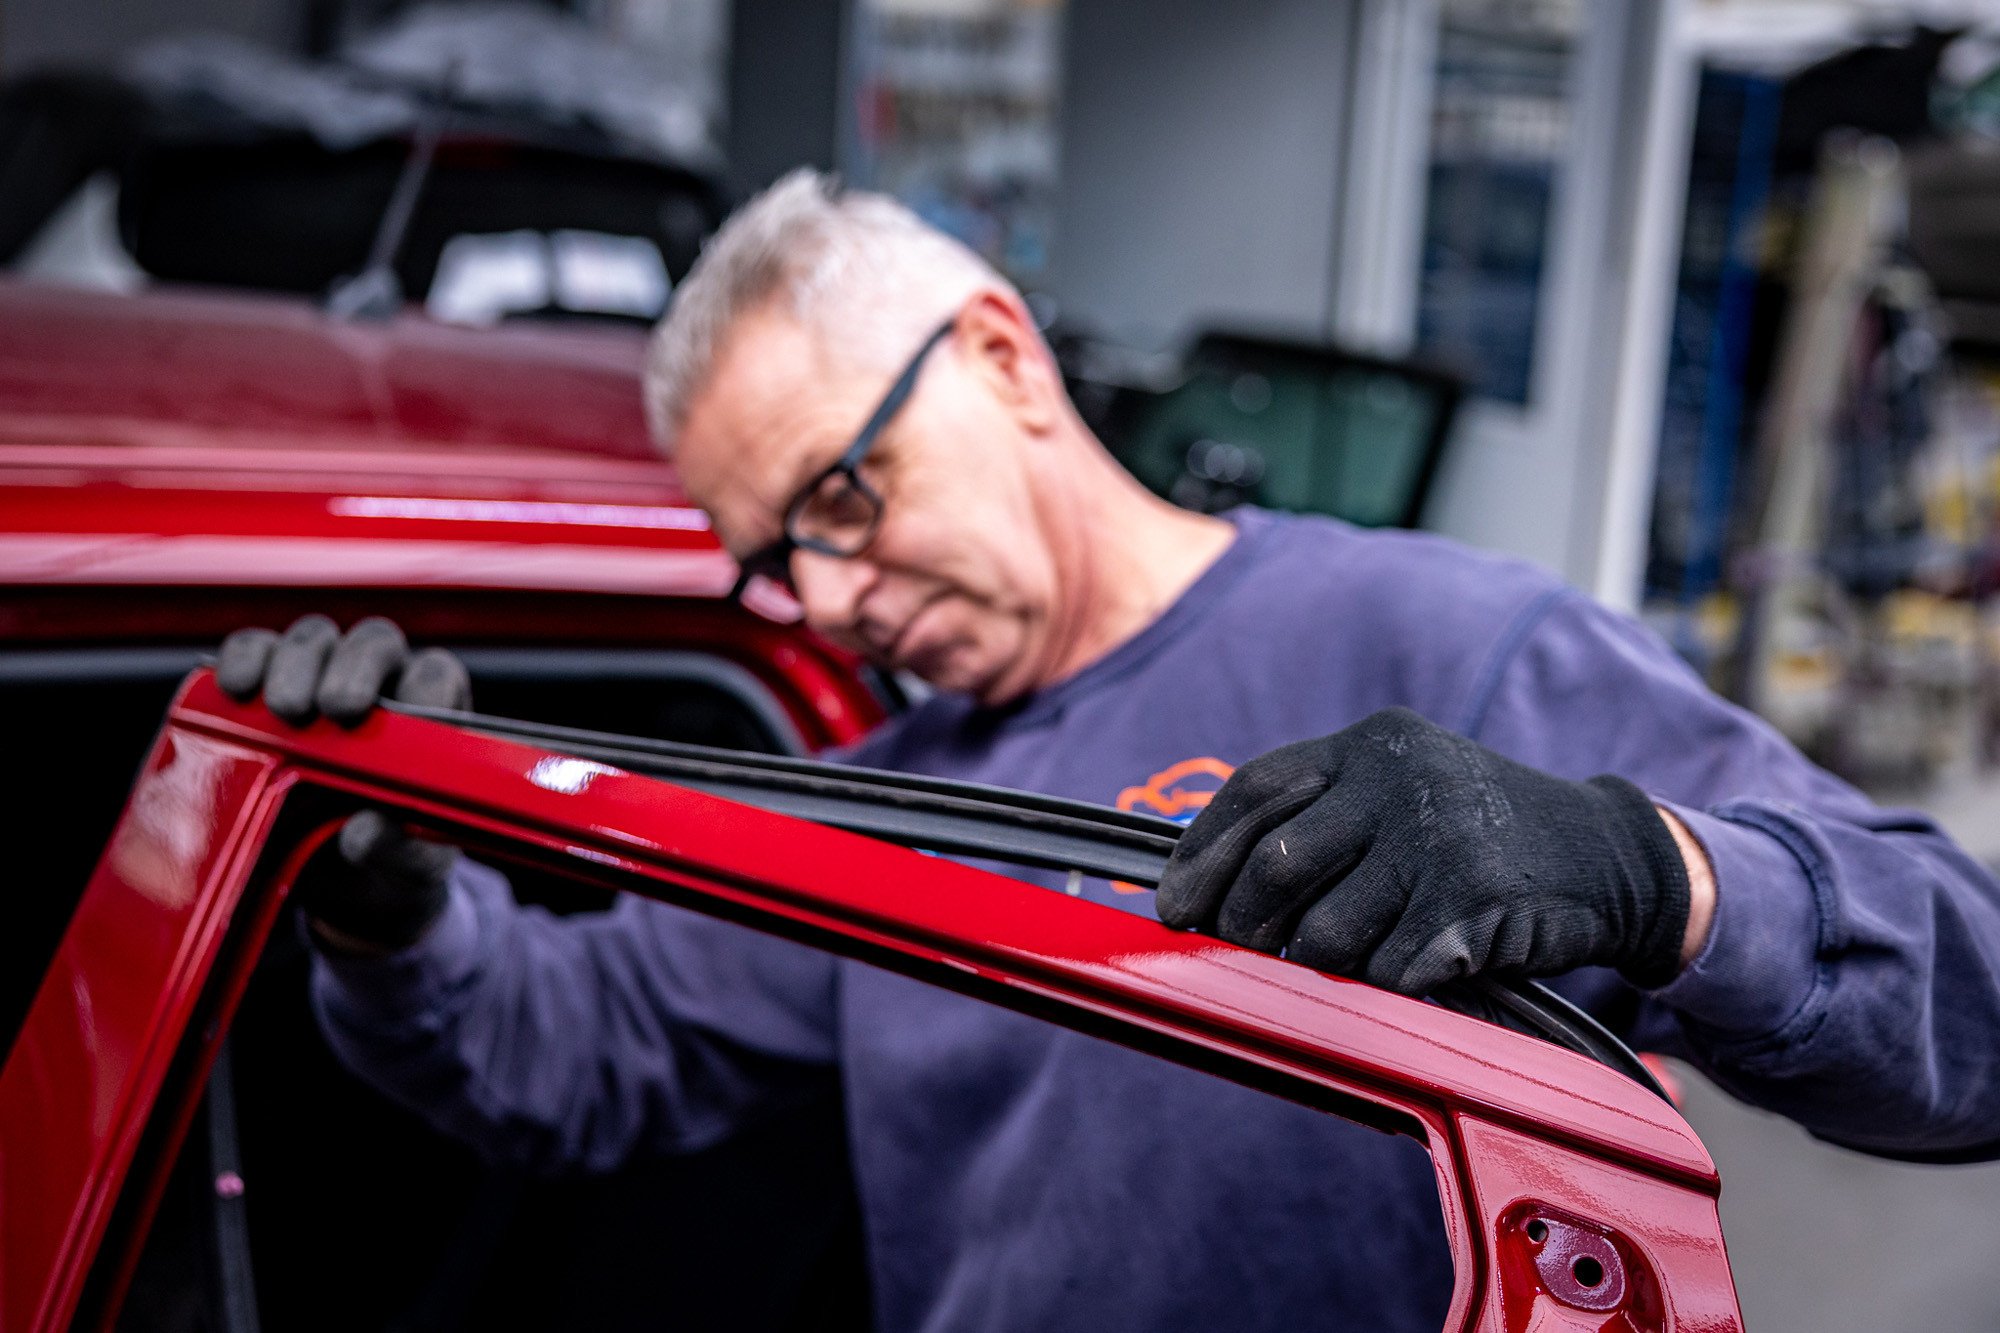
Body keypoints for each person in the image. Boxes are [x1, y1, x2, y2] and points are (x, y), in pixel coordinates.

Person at [219, 171, 2000, 1331]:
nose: (822, 599)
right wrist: (384, 903)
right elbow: (575, 1052)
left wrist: (1643, 866)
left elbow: (1969, 1003)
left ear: (1002, 358)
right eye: (773, 560)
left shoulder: (1449, 645)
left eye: (843, 496)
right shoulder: (884, 801)